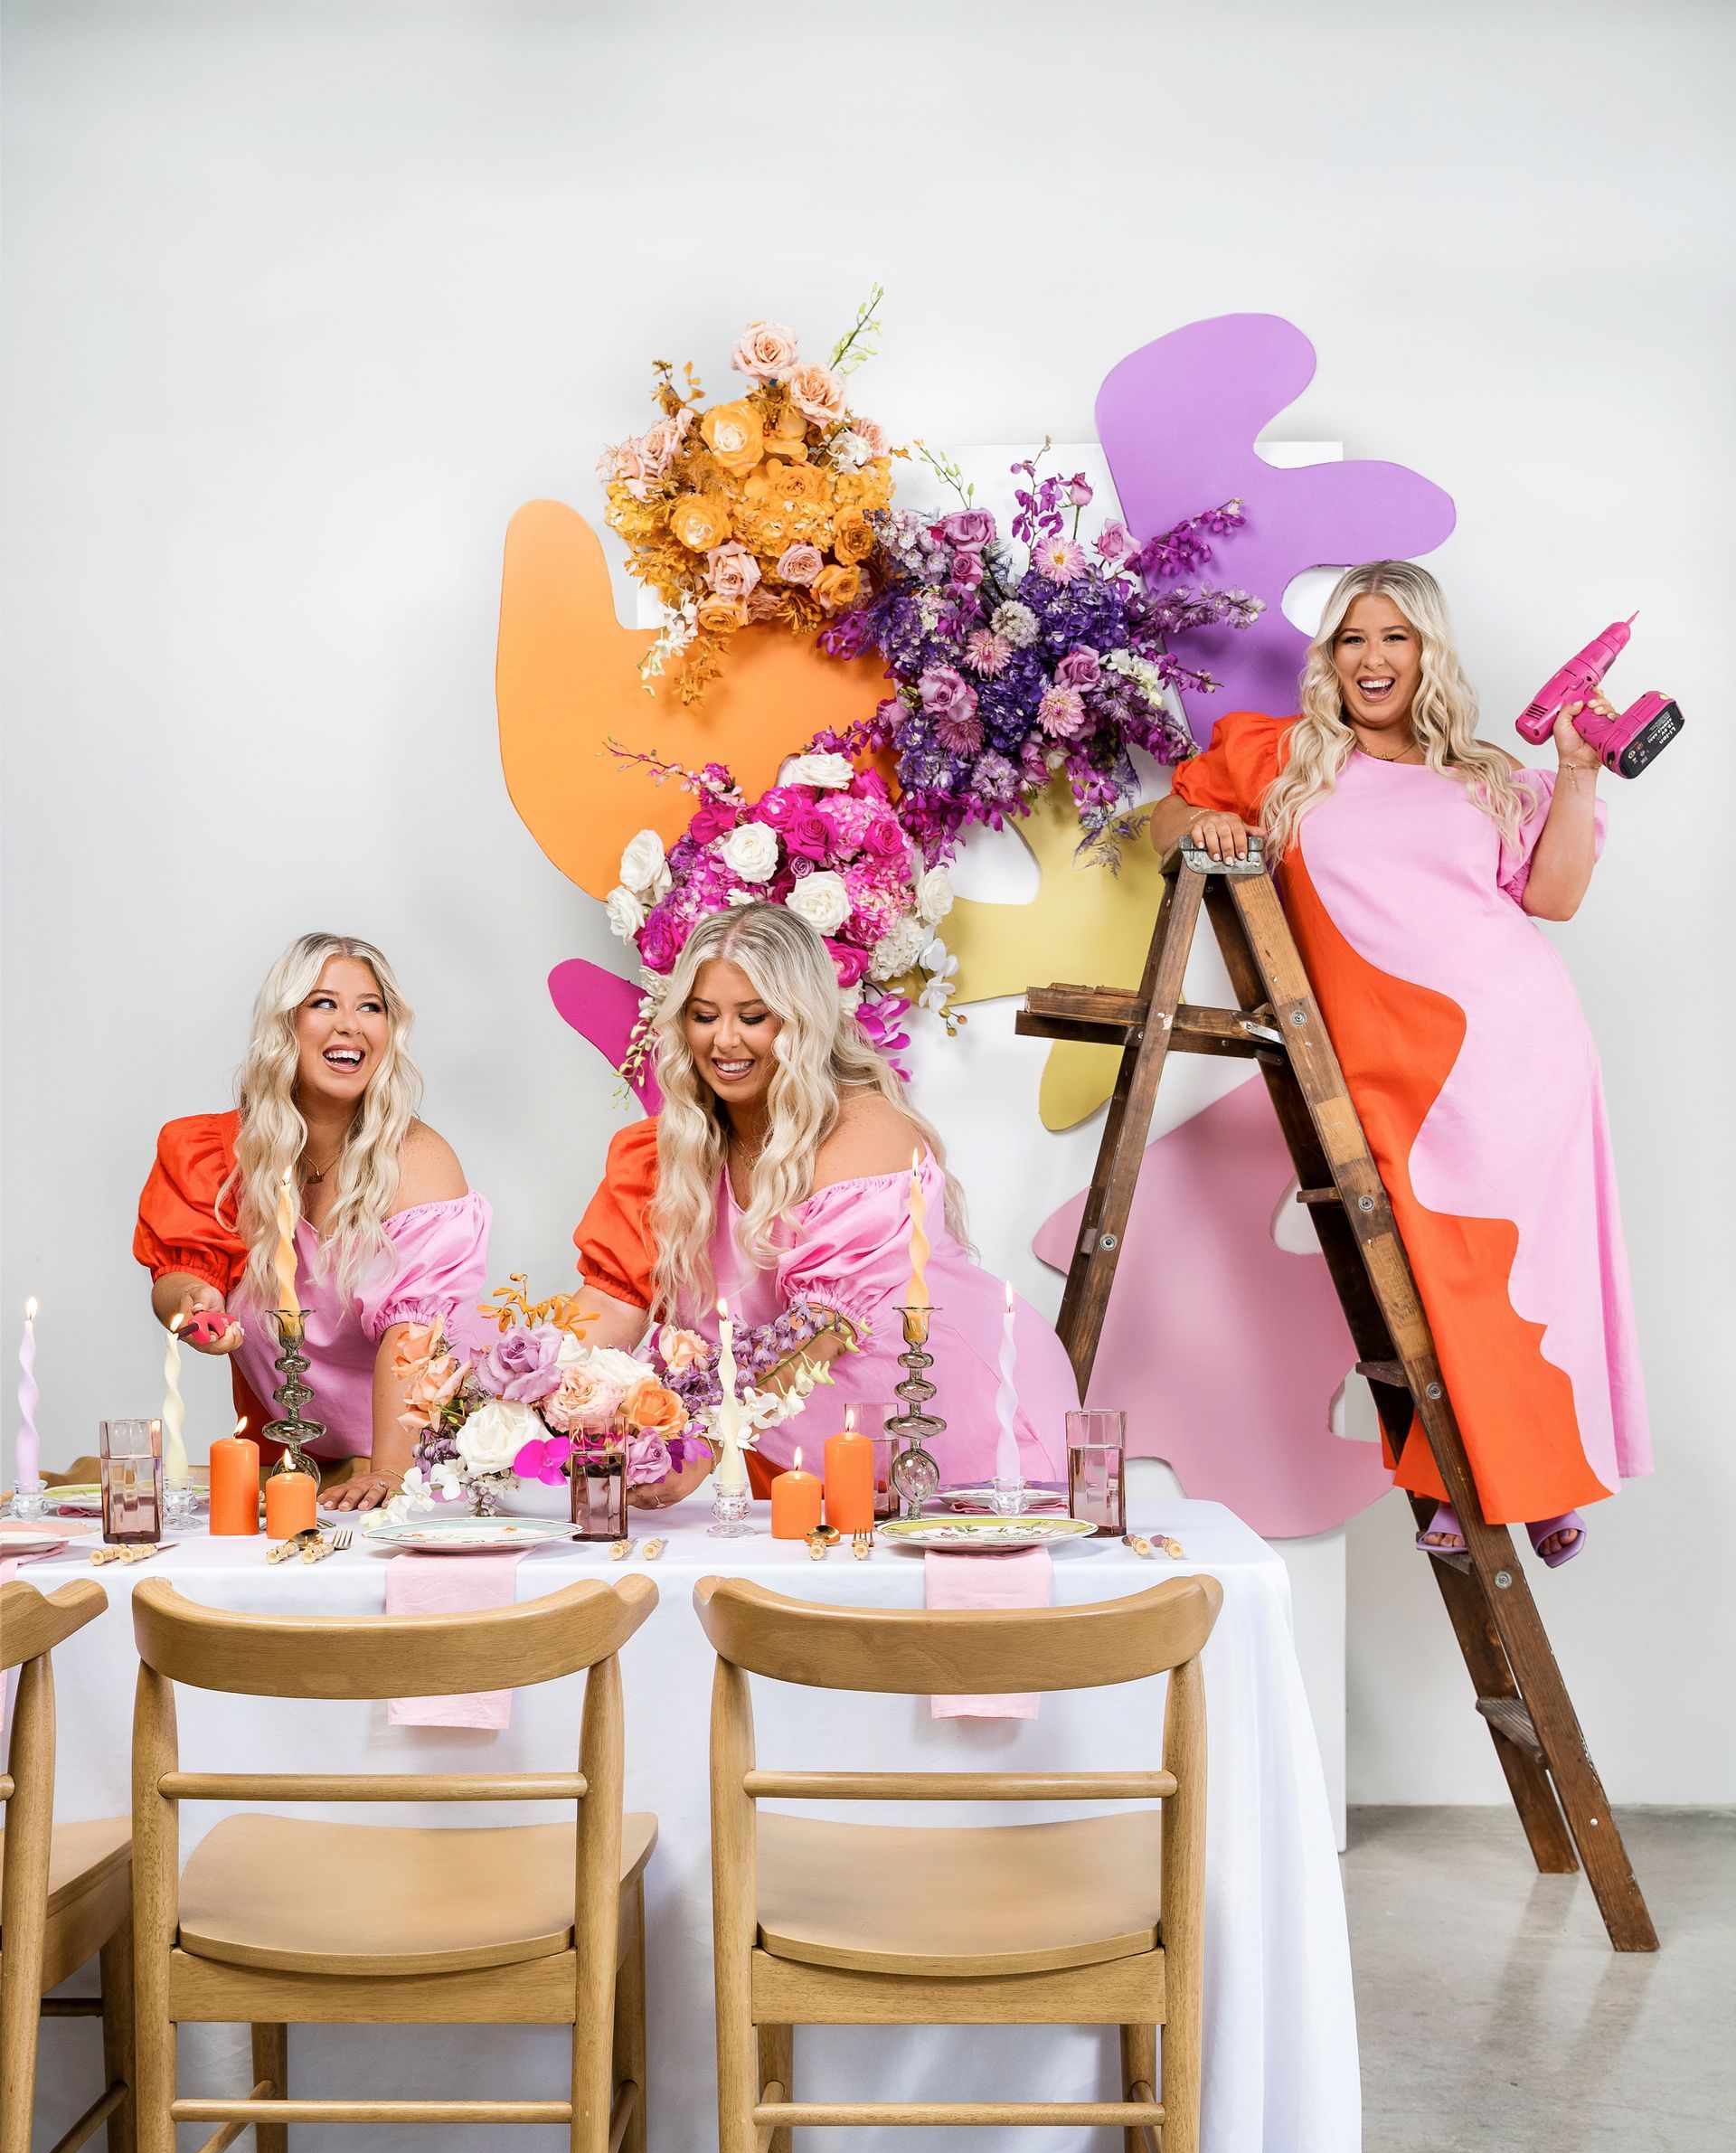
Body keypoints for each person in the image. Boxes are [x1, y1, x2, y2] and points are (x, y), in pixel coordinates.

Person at [1150, 560, 1649, 1565]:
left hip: (1520, 1052)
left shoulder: (1484, 775)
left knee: (1529, 1272)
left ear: (1428, 653)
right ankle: (1470, 1472)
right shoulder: (1285, 757)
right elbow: (1170, 813)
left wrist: (1578, 768)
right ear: (1330, 658)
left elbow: (1553, 900)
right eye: (1353, 639)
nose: (1373, 659)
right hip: (1387, 1066)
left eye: (1396, 637)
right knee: (1425, 1273)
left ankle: (1526, 1481)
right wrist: (1203, 823)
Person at [571, 902, 1078, 1503]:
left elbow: (822, 1329)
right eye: (704, 1016)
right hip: (820, 1454)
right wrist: (534, 1394)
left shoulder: (864, 1131)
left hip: (973, 1422)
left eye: (753, 1016)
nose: (724, 1039)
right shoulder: (663, 1156)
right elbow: (609, 1304)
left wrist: (702, 1437)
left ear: (803, 1020)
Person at [135, 932, 490, 1512]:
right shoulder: (214, 1153)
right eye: (324, 1003)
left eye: (370, 1007)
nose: (350, 1025)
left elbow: (415, 1336)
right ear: (285, 1024)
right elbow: (179, 1273)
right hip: (295, 1465)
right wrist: (194, 1306)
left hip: (424, 1464)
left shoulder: (419, 1161)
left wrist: (390, 1474)